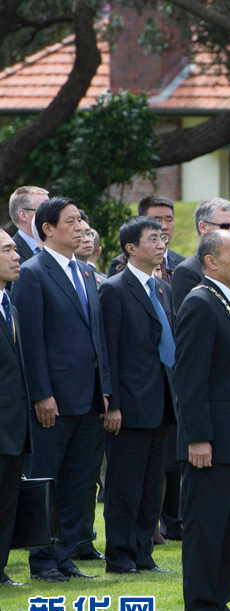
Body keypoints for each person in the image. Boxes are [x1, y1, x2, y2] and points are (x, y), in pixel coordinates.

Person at [12, 197, 112, 583]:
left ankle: (66, 555)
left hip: (88, 397)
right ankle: (44, 561)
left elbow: (96, 337)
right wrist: (40, 393)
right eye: (71, 221)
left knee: (77, 482)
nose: (80, 227)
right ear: (48, 228)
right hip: (53, 398)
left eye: (81, 220)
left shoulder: (86, 273)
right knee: (48, 479)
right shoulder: (34, 273)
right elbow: (31, 341)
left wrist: (106, 389)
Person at [175, 230, 230, 611]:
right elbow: (189, 379)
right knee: (207, 527)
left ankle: (220, 603)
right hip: (213, 440)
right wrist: (197, 437)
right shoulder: (200, 303)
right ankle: (201, 607)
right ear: (211, 261)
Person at [99, 217, 177, 575]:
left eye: (163, 238)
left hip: (161, 402)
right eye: (152, 239)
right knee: (125, 486)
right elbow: (108, 350)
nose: (161, 244)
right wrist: (111, 402)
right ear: (131, 248)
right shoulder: (115, 289)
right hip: (129, 404)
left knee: (150, 486)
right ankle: (119, 556)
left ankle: (143, 553)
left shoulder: (163, 288)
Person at [71, 216, 107, 563]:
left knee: (89, 476)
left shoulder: (96, 280)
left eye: (88, 236)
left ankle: (84, 539)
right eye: (76, 233)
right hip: (66, 395)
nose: (83, 240)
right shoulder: (41, 274)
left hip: (96, 394)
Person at [0, 229, 31, 611]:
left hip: (13, 431)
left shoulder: (9, 303)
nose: (17, 255)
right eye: (6, 249)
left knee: (6, 511)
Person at [108, 195, 186, 281]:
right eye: (157, 220)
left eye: (169, 220)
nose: (164, 226)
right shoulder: (121, 263)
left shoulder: (183, 264)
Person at [8, 186, 48, 264]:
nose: (51, 215)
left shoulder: (57, 246)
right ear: (23, 215)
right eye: (44, 210)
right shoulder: (9, 253)